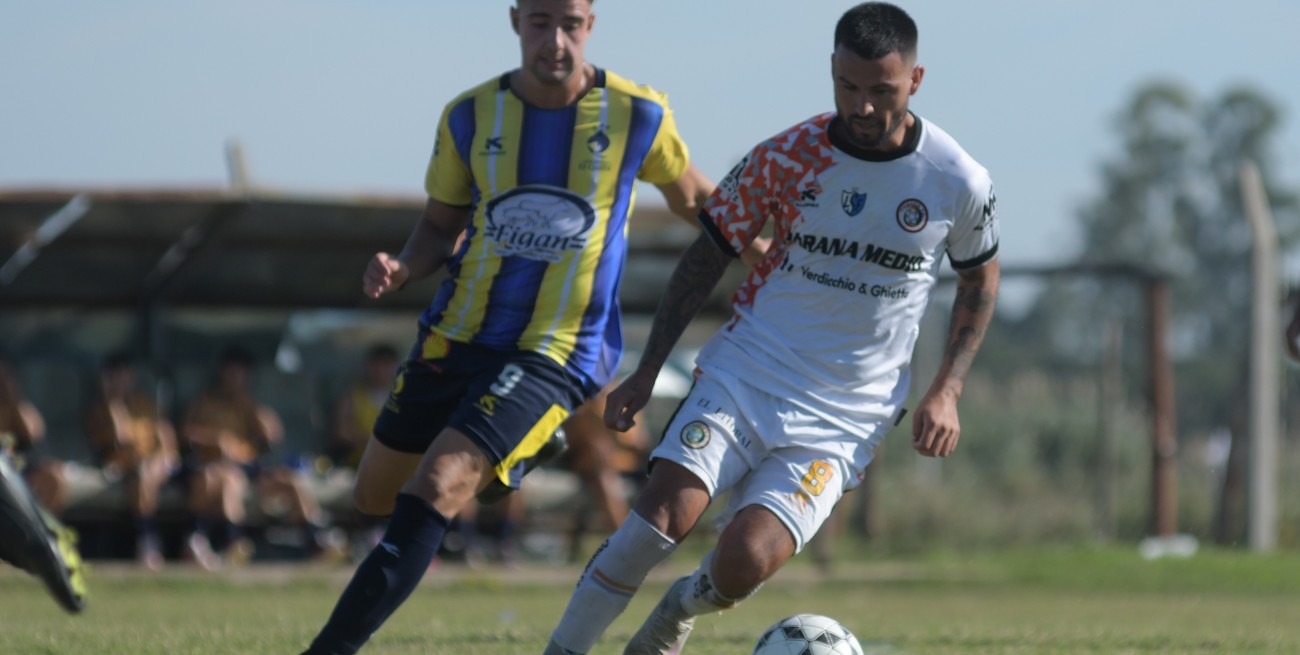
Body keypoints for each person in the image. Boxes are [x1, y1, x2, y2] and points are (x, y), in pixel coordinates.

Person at [299, 1, 764, 652]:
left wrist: (767, 253)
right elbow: (440, 224)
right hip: (456, 333)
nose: (556, 40)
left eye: (570, 23)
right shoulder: (471, 115)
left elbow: (691, 195)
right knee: (374, 497)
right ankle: (517, 454)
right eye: (542, 21)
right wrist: (403, 265)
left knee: (439, 485)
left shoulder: (638, 113)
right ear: (515, 20)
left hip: (558, 347)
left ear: (591, 24)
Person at [542, 4, 1002, 653]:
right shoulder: (786, 155)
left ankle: (677, 610)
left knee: (744, 560)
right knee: (658, 518)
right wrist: (647, 371)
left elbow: (981, 280)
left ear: (916, 80)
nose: (863, 107)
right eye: (849, 87)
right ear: (832, 72)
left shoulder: (957, 180)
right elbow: (706, 255)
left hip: (847, 413)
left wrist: (947, 389)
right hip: (747, 370)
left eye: (883, 91)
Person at [0, 352, 86, 613]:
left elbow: (33, 433)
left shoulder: (13, 404)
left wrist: (11, 394)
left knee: (53, 477)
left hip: (15, 474)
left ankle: (46, 540)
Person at [83, 352, 179, 571]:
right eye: (115, 376)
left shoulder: (146, 404)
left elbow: (168, 445)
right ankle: (148, 538)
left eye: (125, 375)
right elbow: (120, 439)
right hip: (122, 469)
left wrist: (159, 461)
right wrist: (113, 402)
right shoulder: (100, 409)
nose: (121, 380)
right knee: (141, 475)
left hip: (157, 467)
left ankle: (149, 537)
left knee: (147, 472)